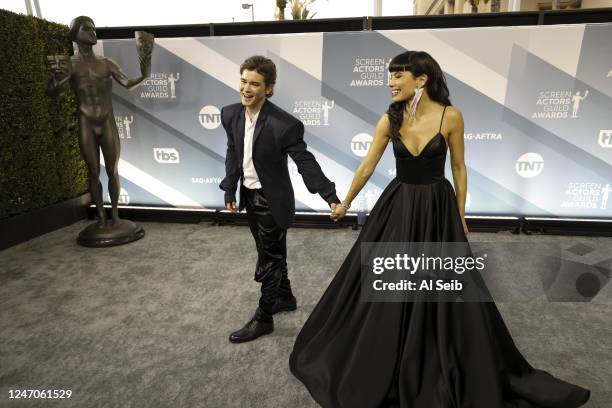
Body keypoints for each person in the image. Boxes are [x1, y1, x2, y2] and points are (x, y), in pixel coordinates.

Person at [289, 51, 591, 407]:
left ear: (420, 80)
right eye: (389, 76)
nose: (390, 82)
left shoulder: (451, 116)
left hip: (437, 207)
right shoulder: (390, 118)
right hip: (399, 207)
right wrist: (346, 203)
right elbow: (367, 165)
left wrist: (460, 214)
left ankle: (433, 345)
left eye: (397, 76)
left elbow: (460, 168)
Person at [220, 55, 340, 343]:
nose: (247, 89)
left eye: (255, 84)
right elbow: (234, 153)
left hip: (272, 199)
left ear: (269, 88)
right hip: (249, 195)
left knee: (269, 259)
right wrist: (230, 188)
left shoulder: (284, 124)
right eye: (244, 81)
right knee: (269, 251)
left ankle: (264, 318)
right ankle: (284, 296)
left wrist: (330, 196)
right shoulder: (230, 114)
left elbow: (305, 161)